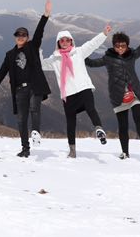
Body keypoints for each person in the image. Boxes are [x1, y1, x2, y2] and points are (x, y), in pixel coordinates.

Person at [85, 23, 140, 159]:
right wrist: (78, 55)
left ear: (127, 45)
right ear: (114, 46)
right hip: (118, 96)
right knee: (123, 125)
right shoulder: (108, 58)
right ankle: (125, 152)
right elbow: (92, 63)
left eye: (123, 46)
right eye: (117, 46)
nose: (120, 48)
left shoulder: (132, 55)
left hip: (135, 94)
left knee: (138, 117)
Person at [0, 0, 53, 158]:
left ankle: (36, 132)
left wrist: (45, 16)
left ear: (27, 37)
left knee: (34, 109)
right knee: (21, 120)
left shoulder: (32, 47)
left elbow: (39, 33)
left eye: (24, 35)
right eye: (18, 35)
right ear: (15, 37)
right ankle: (25, 148)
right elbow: (2, 72)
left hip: (34, 86)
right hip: (19, 90)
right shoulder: (10, 55)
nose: (21, 37)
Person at [41, 24, 112, 158]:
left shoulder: (79, 52)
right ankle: (72, 150)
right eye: (62, 40)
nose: (65, 42)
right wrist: (37, 50)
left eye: (68, 40)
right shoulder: (54, 59)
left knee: (91, 108)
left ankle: (98, 128)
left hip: (83, 87)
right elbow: (40, 65)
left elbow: (92, 44)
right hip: (68, 94)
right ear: (58, 43)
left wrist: (104, 33)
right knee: (71, 121)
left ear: (72, 41)